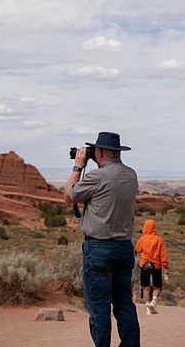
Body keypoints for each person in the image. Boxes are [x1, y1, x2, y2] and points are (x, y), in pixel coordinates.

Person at [65, 131, 141, 347]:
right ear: (118, 152)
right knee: (124, 304)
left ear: (98, 152)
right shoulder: (131, 175)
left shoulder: (96, 177)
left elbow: (68, 196)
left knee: (99, 307)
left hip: (99, 249)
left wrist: (79, 165)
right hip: (124, 248)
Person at [134, 218, 169, 315]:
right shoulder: (159, 240)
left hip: (144, 264)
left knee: (145, 287)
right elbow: (163, 255)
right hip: (156, 265)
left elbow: (137, 249)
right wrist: (165, 265)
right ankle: (154, 301)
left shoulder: (142, 239)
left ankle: (147, 306)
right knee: (157, 286)